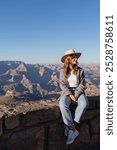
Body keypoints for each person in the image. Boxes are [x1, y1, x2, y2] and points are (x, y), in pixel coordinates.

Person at [59, 49, 89, 145]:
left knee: (84, 104)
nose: (76, 58)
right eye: (73, 57)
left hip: (78, 91)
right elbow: (62, 84)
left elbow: (82, 84)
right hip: (67, 91)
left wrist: (76, 94)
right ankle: (73, 129)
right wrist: (70, 94)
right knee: (62, 104)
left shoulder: (80, 70)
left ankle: (71, 129)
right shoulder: (62, 71)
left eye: (76, 57)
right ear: (68, 59)